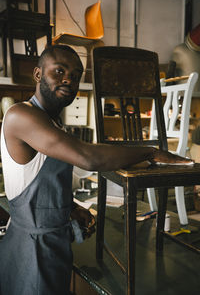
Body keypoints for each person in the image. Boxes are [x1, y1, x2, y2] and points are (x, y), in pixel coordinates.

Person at [0, 44, 193, 295]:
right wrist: (150, 151)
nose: (69, 78)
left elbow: (36, 180)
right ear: (38, 75)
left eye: (76, 75)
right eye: (59, 71)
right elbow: (88, 157)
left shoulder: (52, 124)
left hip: (52, 245)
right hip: (32, 251)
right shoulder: (20, 115)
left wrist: (69, 207)